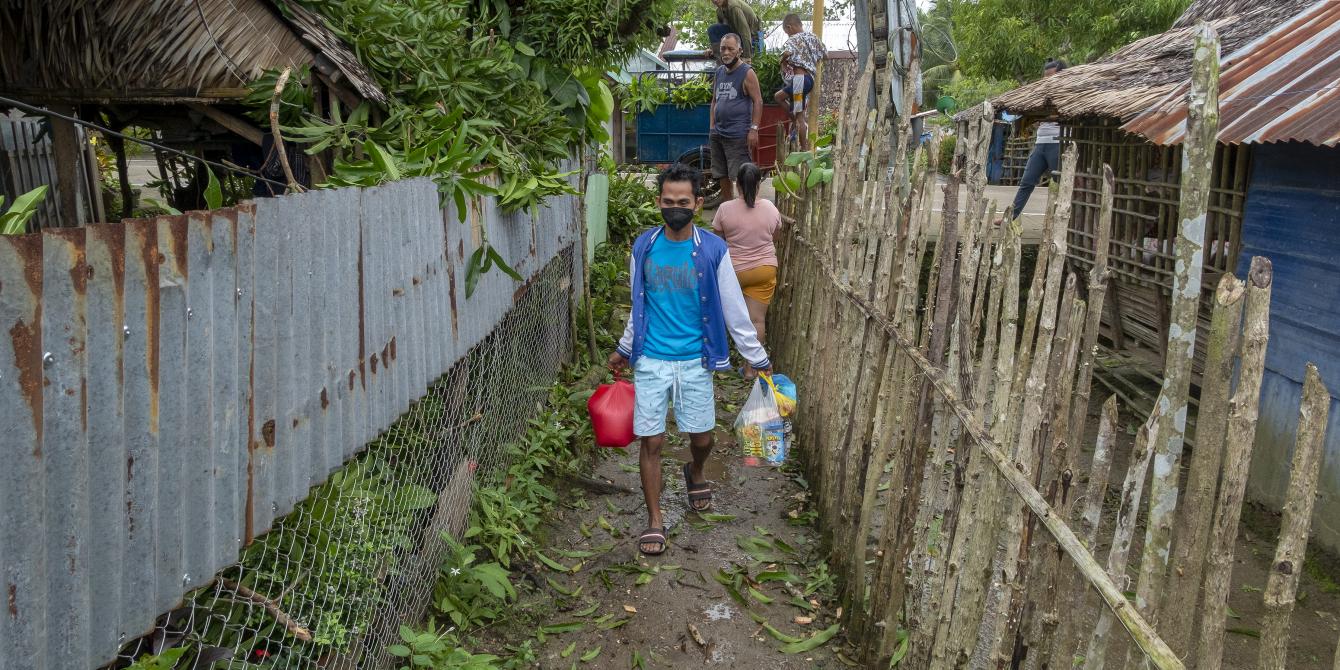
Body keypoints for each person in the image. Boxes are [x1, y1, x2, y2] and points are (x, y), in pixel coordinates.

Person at [608, 163, 772, 556]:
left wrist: (757, 356)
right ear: (658, 201)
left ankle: (695, 470)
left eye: (683, 202)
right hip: (652, 360)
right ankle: (655, 519)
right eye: (668, 201)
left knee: (702, 437)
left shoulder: (713, 251)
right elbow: (638, 305)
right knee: (653, 440)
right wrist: (625, 348)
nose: (675, 208)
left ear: (698, 204)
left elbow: (734, 308)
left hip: (696, 362)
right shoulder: (643, 246)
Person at [711, 163, 780, 379]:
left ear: (737, 183)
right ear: (759, 183)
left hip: (734, 272)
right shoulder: (770, 208)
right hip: (764, 270)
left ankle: (718, 361)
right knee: (756, 321)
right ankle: (751, 369)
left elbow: (718, 240)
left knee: (724, 316)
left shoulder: (725, 209)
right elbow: (775, 235)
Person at [1004, 59, 1066, 223]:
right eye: (1045, 76)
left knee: (1060, 184)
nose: (1047, 80)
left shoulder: (1067, 92)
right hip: (1041, 142)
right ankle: (1011, 216)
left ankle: (1063, 219)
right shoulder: (1040, 93)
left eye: (1050, 76)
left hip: (1057, 141)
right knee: (1027, 181)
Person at [709, 33, 763, 205]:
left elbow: (758, 101)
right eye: (723, 48)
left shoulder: (747, 73)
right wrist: (712, 127)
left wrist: (754, 129)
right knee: (721, 173)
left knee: (742, 175)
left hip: (737, 134)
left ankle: (748, 207)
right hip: (718, 133)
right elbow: (714, 100)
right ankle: (727, 208)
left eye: (730, 49)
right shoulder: (719, 72)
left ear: (739, 51)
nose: (726, 52)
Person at [773, 13, 826, 149]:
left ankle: (804, 149)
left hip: (799, 81)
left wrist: (783, 62)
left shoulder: (793, 40)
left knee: (800, 118)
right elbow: (826, 54)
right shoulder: (814, 37)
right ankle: (795, 119)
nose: (788, 35)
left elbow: (787, 53)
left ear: (789, 27)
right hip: (809, 80)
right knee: (779, 97)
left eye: (786, 32)